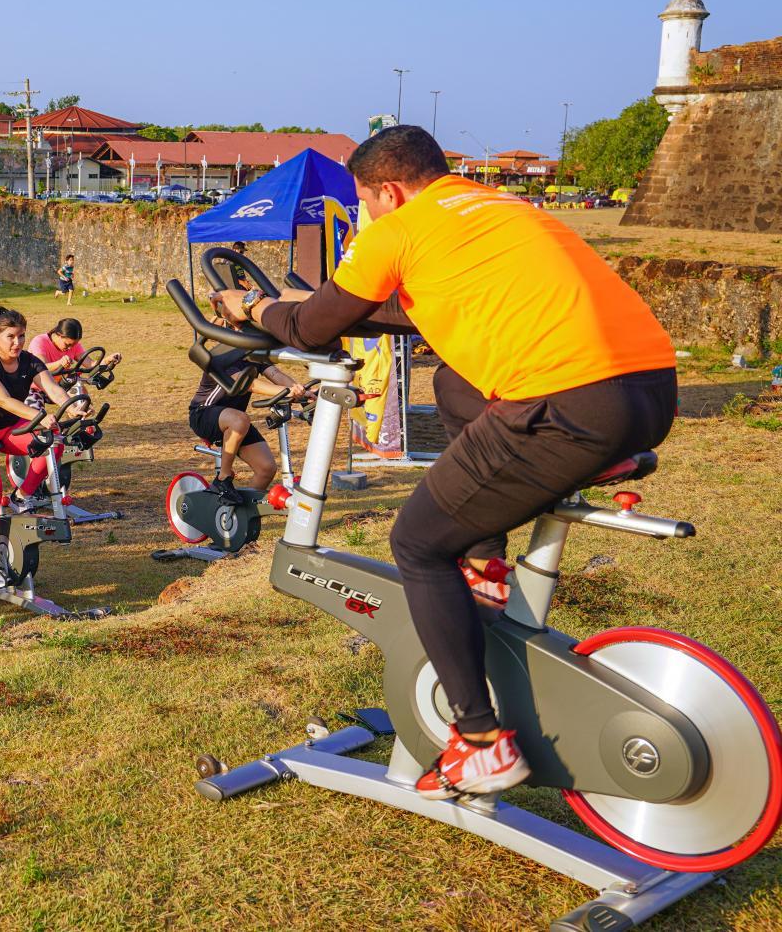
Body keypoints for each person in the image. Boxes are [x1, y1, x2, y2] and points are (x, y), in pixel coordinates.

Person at [211, 125, 678, 799]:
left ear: (389, 192)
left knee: (419, 543)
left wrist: (251, 306)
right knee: (454, 384)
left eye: (366, 202)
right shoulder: (499, 208)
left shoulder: (394, 230)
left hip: (566, 408)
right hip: (648, 395)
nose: (366, 214)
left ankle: (481, 742)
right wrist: (316, 308)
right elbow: (406, 312)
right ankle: (484, 566)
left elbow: (313, 328)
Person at [0, 306, 80, 590]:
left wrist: (73, 405)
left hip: (7, 430)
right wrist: (37, 417)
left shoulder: (29, 362)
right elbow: (3, 400)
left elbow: (52, 388)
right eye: (10, 336)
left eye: (21, 336)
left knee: (52, 444)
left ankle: (22, 496)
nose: (17, 343)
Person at [188, 349, 307, 500]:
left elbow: (276, 374)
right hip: (203, 414)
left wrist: (303, 392)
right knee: (240, 419)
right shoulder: (221, 356)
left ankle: (241, 513)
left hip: (235, 421)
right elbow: (249, 384)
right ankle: (222, 479)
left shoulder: (255, 353)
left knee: (266, 469)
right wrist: (288, 391)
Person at [26, 318, 122, 378]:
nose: (70, 349)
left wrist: (108, 360)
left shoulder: (74, 346)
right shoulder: (39, 342)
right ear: (59, 335)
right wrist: (60, 363)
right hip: (36, 387)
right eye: (67, 345)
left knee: (83, 403)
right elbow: (42, 367)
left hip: (59, 385)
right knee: (36, 410)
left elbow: (91, 365)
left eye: (73, 345)